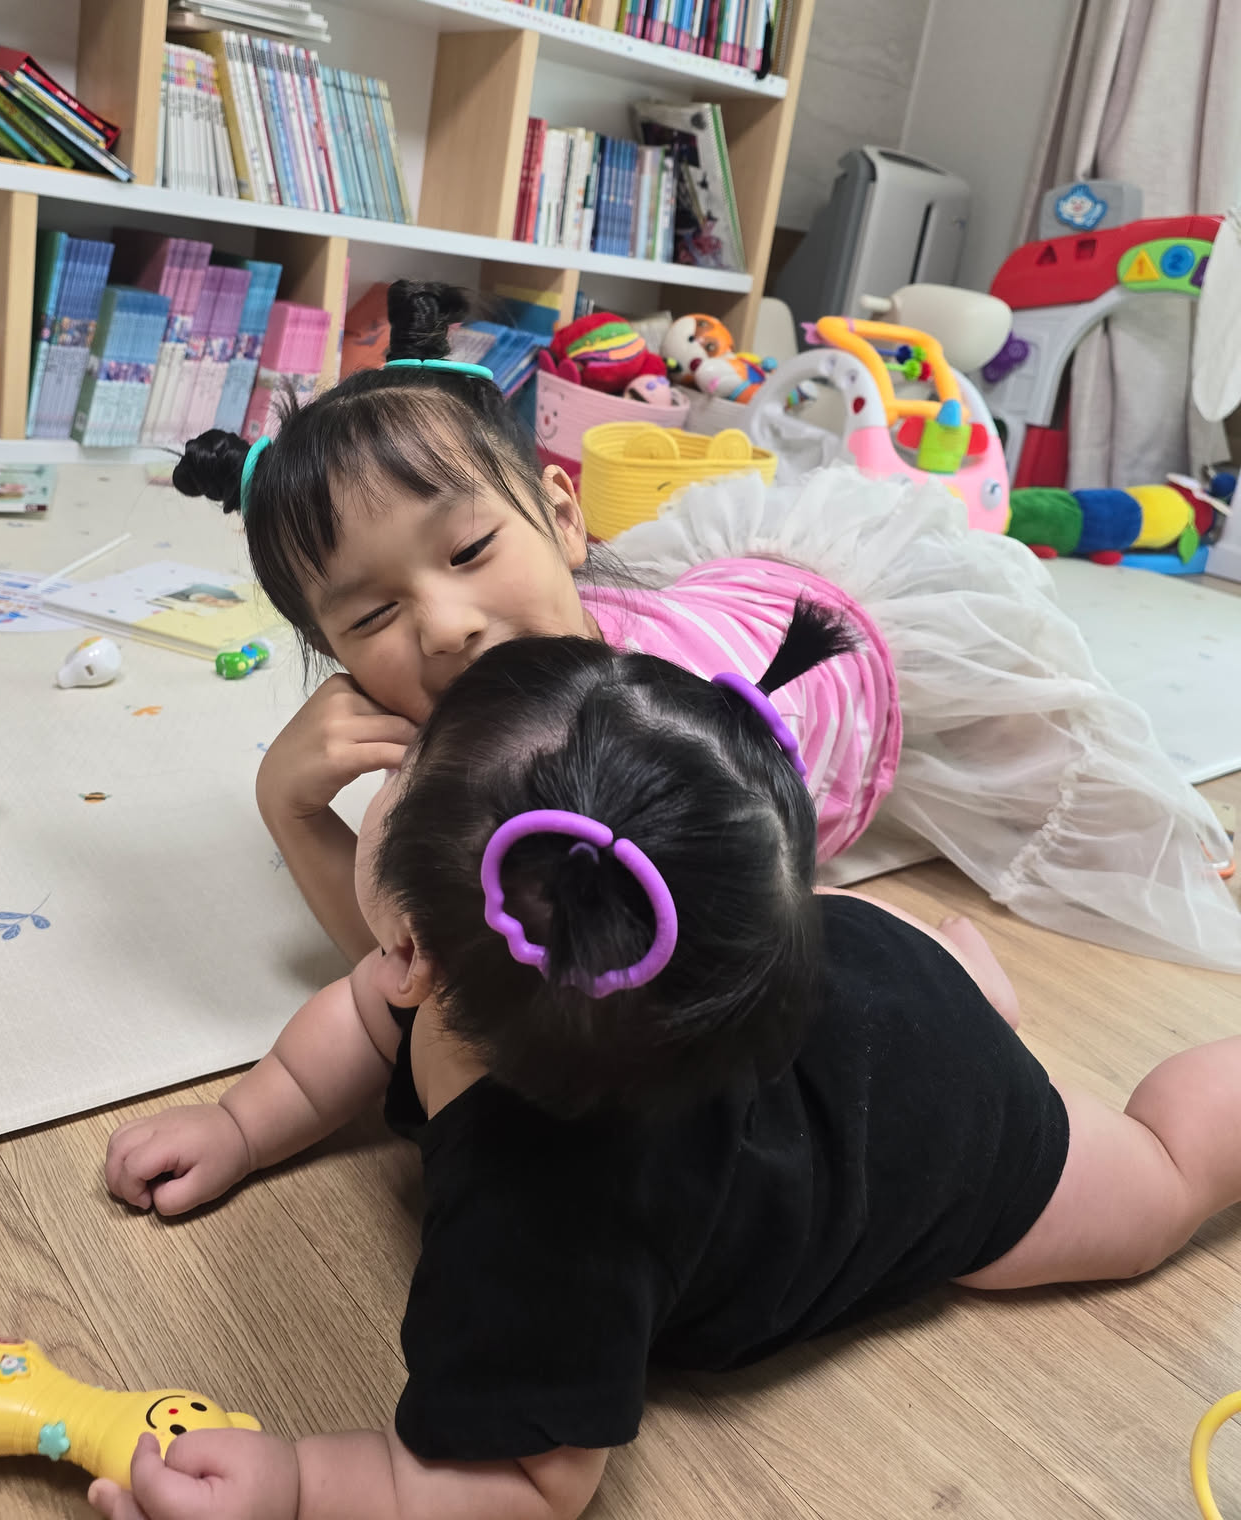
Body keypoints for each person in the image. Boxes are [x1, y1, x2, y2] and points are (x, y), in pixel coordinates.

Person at [92, 624, 1241, 1520]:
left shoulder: (549, 1222)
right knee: (881, 973)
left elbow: (527, 1482)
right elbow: (350, 1026)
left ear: (409, 948)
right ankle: (953, 975)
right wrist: (243, 1125)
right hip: (856, 967)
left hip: (941, 1122)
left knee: (1158, 1179)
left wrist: (298, 1485)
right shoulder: (561, 963)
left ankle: (969, 1000)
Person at [172, 279, 1240, 975]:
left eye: (469, 551)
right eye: (372, 613)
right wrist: (292, 807)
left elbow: (744, 944)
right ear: (334, 654)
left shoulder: (655, 730)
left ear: (562, 518)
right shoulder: (432, 753)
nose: (445, 627)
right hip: (733, 609)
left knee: (1036, 735)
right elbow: (405, 963)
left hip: (854, 643)